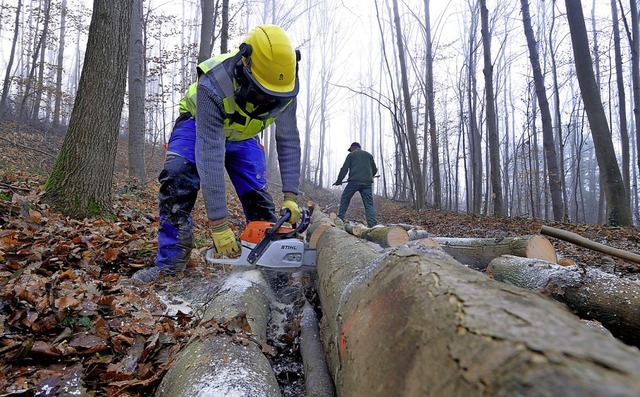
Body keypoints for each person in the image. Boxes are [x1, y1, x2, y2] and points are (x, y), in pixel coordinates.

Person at [133, 25, 302, 284]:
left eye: (273, 97)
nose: (267, 101)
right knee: (177, 177)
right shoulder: (214, 83)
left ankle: (270, 267)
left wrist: (290, 196)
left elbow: (288, 140)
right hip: (198, 125)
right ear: (244, 65)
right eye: (261, 92)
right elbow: (210, 154)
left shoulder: (285, 87)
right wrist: (218, 222)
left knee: (259, 198)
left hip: (243, 135)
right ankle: (169, 264)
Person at [333, 142, 378, 227]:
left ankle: (340, 219)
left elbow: (344, 169)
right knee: (369, 204)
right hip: (367, 183)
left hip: (354, 182)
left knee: (345, 198)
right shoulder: (369, 155)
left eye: (351, 150)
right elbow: (375, 170)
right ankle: (372, 225)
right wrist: (368, 176)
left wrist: (339, 180)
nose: (350, 151)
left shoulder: (351, 155)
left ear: (353, 148)